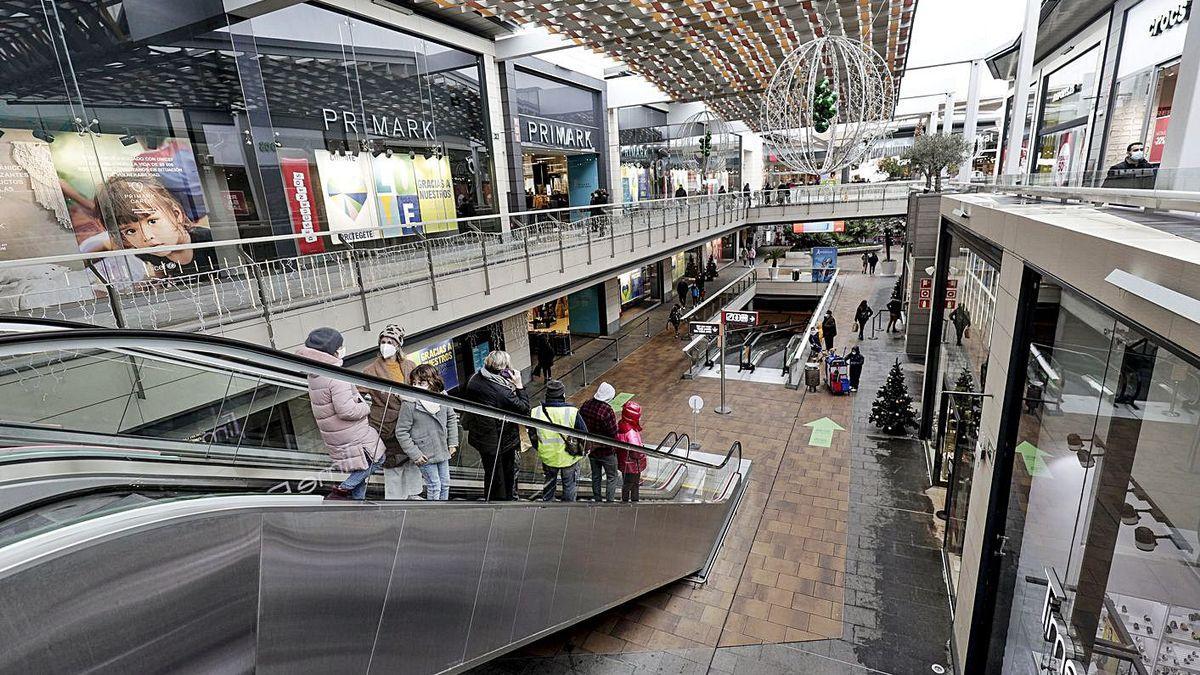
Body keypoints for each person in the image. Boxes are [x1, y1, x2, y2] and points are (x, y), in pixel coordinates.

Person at [297, 327, 385, 500]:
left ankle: (357, 506)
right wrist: (366, 407)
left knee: (360, 468)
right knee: (377, 459)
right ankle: (342, 489)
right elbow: (347, 410)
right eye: (340, 346)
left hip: (337, 436)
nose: (343, 348)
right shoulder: (335, 376)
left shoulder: (314, 373)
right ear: (333, 351)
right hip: (352, 434)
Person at [95, 175, 220, 278]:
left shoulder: (209, 242)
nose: (147, 237)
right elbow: (162, 273)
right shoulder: (148, 251)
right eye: (131, 231)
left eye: (152, 221)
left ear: (176, 215)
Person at [361, 324, 422, 500]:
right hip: (387, 425)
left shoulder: (409, 365)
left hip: (409, 422)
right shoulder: (370, 370)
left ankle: (414, 494)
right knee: (393, 464)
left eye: (390, 341)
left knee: (411, 460)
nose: (386, 345)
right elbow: (357, 393)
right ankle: (395, 500)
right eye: (383, 341)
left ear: (398, 345)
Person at [461, 350, 530, 501]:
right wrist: (518, 385)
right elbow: (524, 408)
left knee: (491, 473)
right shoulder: (502, 392)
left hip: (481, 436)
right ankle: (503, 502)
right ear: (503, 369)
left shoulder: (474, 378)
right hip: (501, 440)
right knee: (505, 474)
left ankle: (491, 500)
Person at [395, 364, 460, 501]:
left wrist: (453, 442)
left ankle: (441, 514)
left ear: (433, 381)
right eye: (414, 383)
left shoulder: (443, 398)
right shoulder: (409, 404)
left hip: (442, 449)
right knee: (434, 485)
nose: (417, 386)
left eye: (422, 382)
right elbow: (401, 432)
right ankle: (432, 515)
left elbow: (451, 418)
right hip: (424, 453)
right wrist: (415, 454)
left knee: (445, 483)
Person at [528, 379, 588, 502]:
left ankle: (547, 505)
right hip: (569, 457)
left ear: (547, 395)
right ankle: (568, 508)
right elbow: (584, 433)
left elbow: (532, 435)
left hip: (548, 456)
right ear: (563, 395)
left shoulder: (535, 411)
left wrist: (539, 447)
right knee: (569, 484)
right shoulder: (572, 412)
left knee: (549, 483)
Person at [579, 382, 620, 503]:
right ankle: (609, 501)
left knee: (596, 476)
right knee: (612, 476)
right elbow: (613, 432)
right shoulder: (607, 411)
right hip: (606, 451)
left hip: (591, 449)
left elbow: (580, 424)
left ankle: (597, 499)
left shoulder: (586, 405)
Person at [615, 401, 647, 503]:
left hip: (624, 462)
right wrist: (643, 451)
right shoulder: (631, 432)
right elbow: (637, 452)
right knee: (633, 484)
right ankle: (632, 501)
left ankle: (626, 500)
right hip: (633, 465)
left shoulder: (621, 425)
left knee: (627, 482)